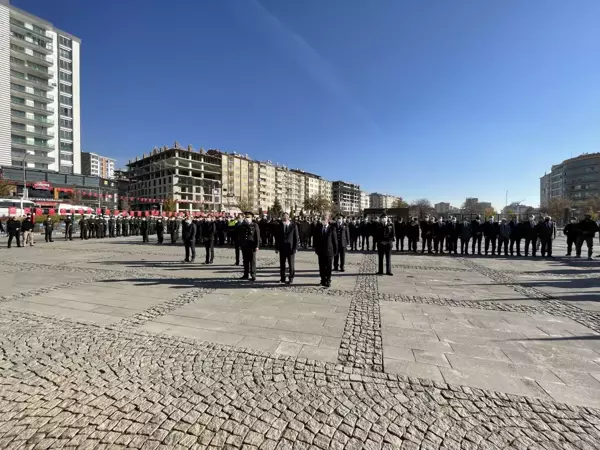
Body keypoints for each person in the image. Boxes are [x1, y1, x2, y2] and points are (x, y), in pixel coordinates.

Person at [314, 214, 337, 287]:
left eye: (325, 219)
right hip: (320, 251)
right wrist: (316, 249)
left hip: (329, 251)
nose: (323, 220)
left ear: (328, 220)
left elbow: (335, 241)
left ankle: (328, 280)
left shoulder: (332, 228)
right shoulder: (318, 228)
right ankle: (323, 279)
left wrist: (335, 250)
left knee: (329, 267)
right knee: (321, 267)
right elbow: (316, 239)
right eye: (322, 219)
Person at [275, 212, 298, 284]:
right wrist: (276, 247)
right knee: (282, 264)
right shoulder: (279, 225)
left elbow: (296, 238)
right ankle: (282, 278)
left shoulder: (293, 226)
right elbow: (277, 237)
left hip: (290, 248)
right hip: (282, 248)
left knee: (291, 264)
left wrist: (295, 248)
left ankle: (291, 278)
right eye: (283, 217)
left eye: (286, 216)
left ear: (288, 217)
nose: (285, 218)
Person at [239, 212, 260, 281]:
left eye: (248, 217)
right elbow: (240, 236)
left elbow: (257, 236)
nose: (247, 219)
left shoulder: (255, 225)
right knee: (245, 261)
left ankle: (253, 275)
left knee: (252, 261)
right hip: (245, 245)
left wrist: (257, 246)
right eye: (246, 217)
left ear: (251, 218)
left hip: (252, 245)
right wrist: (240, 245)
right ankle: (245, 274)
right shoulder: (242, 225)